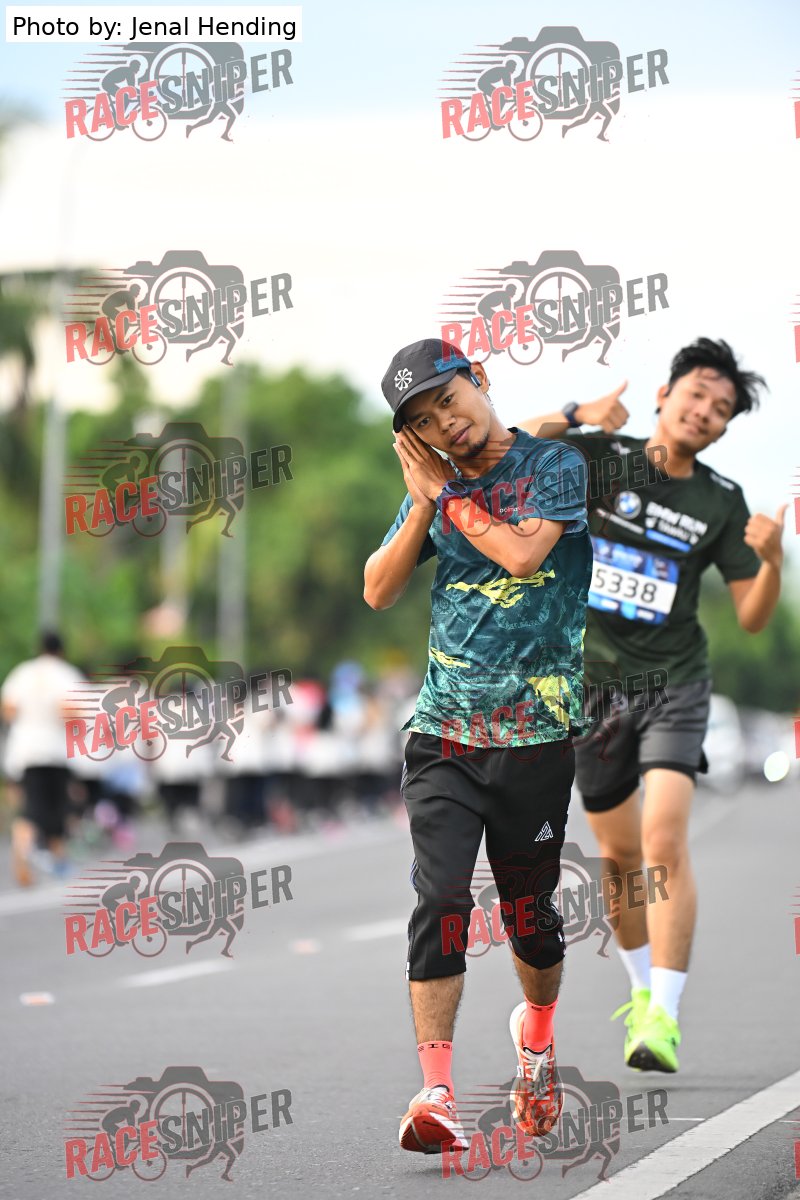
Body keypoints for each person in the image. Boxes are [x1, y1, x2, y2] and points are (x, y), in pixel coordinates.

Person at [520, 337, 785, 1072]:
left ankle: (663, 1015)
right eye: (697, 394)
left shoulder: (720, 501)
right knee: (620, 856)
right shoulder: (604, 457)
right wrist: (576, 411)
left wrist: (772, 560)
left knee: (664, 839)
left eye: (721, 409)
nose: (705, 411)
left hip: (675, 681)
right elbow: (511, 450)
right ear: (665, 395)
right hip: (593, 686)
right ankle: (640, 992)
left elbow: (753, 615)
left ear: (725, 428)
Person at [364, 338, 592, 1154]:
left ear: (480, 381)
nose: (445, 426)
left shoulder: (554, 465)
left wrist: (448, 497)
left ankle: (537, 1038)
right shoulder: (434, 488)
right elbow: (378, 587)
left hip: (537, 737)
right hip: (444, 736)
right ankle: (437, 1092)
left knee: (531, 920)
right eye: (424, 422)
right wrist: (422, 503)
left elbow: (524, 554)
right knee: (442, 900)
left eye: (448, 401)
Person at [1, 632, 86, 885]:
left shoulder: (22, 672)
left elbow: (8, 710)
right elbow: (72, 712)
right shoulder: (66, 674)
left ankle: (23, 844)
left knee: (32, 806)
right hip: (54, 750)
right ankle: (58, 857)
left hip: (24, 750)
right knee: (57, 807)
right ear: (61, 651)